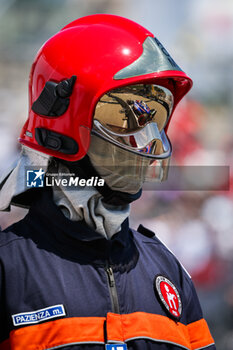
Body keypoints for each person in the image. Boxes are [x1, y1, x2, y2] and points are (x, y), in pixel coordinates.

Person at [0, 14, 216, 350]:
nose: (146, 144)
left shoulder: (167, 268)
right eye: (122, 118)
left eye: (154, 121)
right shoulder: (8, 268)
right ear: (63, 126)